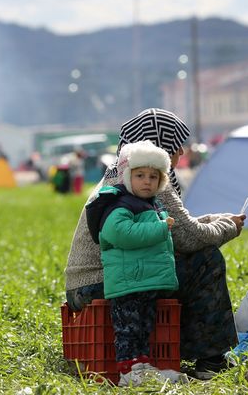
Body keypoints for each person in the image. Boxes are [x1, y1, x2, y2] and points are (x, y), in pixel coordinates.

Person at [65, 108, 246, 381]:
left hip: (84, 285)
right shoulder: (149, 177)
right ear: (159, 145)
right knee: (204, 260)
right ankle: (210, 358)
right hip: (100, 282)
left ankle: (187, 351)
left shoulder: (125, 173)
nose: (181, 153)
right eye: (176, 145)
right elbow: (187, 238)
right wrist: (228, 227)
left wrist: (215, 219)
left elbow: (173, 225)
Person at [85, 140, 185, 386]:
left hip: (144, 283)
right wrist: (160, 229)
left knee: (144, 328)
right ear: (128, 176)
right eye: (140, 175)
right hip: (128, 282)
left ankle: (143, 365)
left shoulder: (151, 205)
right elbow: (120, 234)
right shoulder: (120, 204)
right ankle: (128, 372)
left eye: (153, 176)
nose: (147, 181)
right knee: (127, 329)